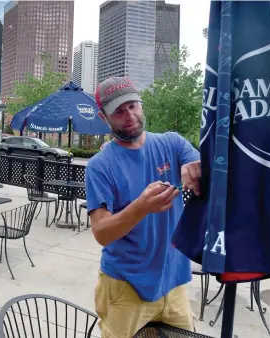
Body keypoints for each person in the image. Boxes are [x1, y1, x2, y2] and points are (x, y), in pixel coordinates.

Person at [86, 77, 202, 337]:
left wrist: (196, 168)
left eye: (132, 106)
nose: (129, 116)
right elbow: (101, 232)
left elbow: (200, 166)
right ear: (104, 119)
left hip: (173, 284)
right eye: (118, 111)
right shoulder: (100, 165)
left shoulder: (172, 144)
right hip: (125, 287)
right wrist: (140, 207)